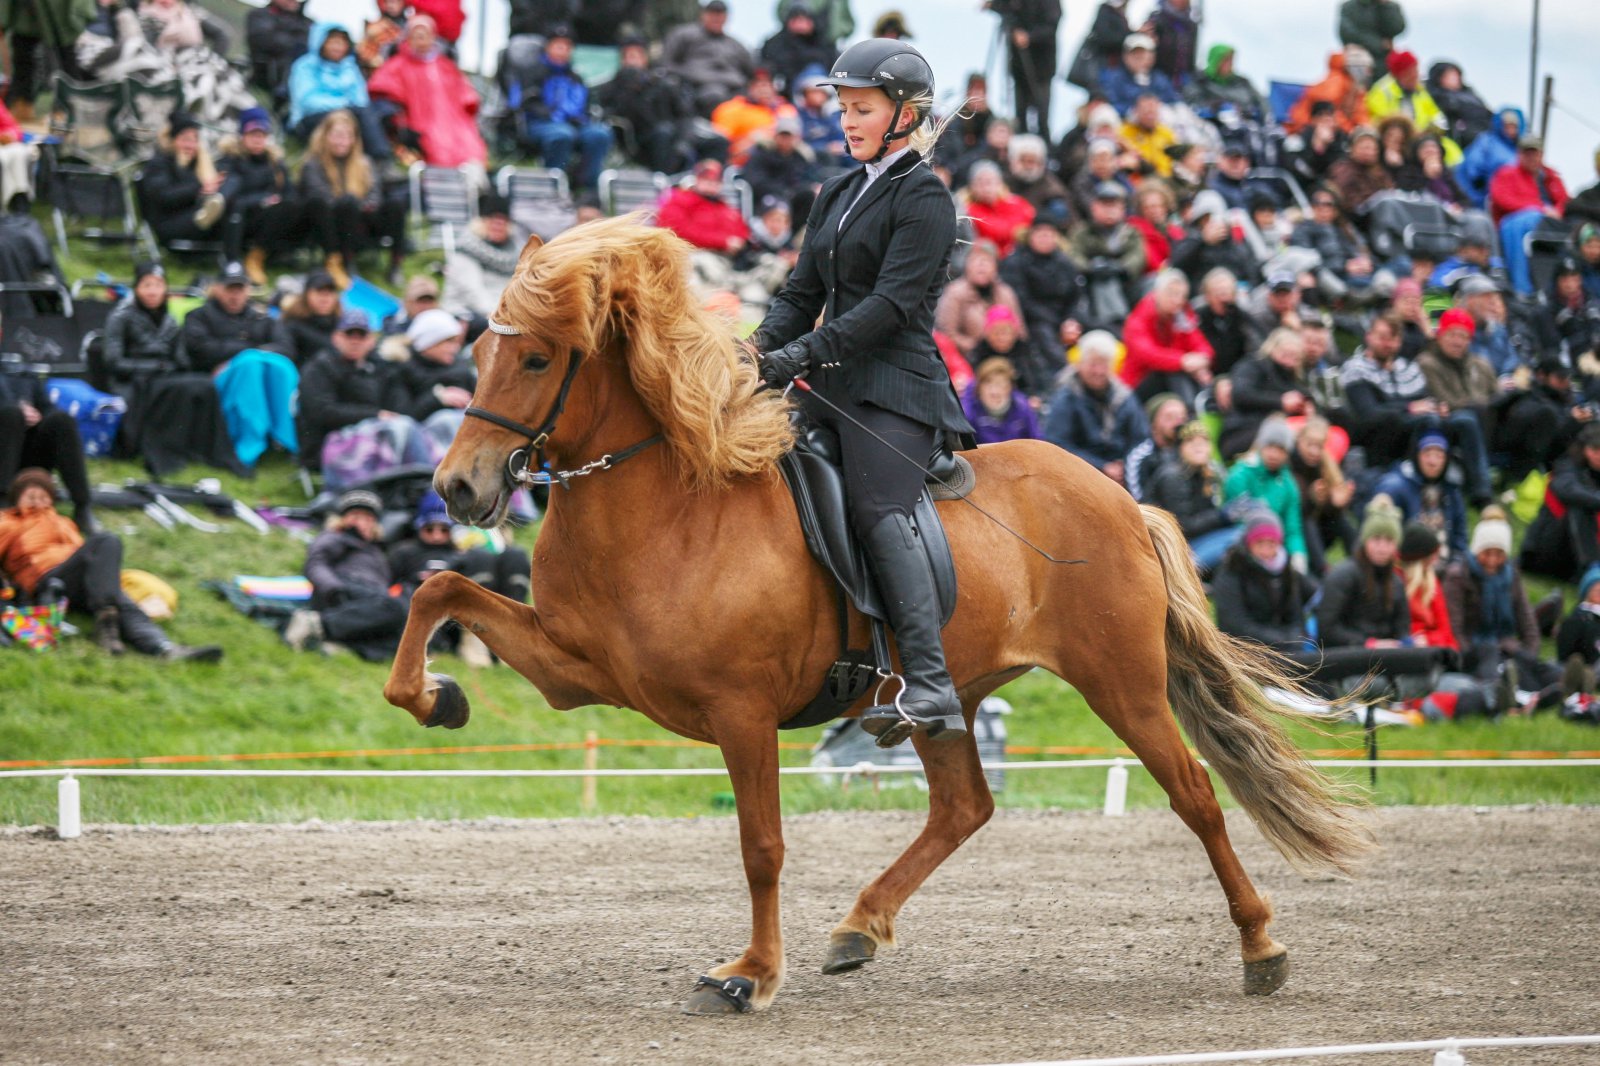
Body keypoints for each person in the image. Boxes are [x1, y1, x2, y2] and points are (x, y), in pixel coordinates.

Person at [747, 39, 972, 745]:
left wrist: (797, 356)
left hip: (896, 390)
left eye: (862, 109)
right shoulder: (838, 192)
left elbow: (888, 308)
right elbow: (800, 293)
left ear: (905, 115)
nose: (847, 122)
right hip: (830, 385)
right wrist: (751, 353)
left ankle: (931, 684)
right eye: (843, 109)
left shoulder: (927, 198)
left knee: (877, 510)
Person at [0, 470, 222, 661]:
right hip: (46, 580)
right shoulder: (8, 522)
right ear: (17, 499)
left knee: (119, 597)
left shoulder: (64, 522)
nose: (38, 501)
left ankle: (163, 648)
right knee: (106, 541)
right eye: (31, 496)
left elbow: (86, 555)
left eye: (43, 496)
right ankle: (107, 620)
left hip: (80, 581)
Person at [102, 264, 242, 477]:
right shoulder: (120, 317)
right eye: (146, 285)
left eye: (158, 285)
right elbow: (113, 362)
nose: (152, 291)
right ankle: (164, 454)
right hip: (135, 381)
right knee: (182, 387)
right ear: (136, 288)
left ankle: (208, 451)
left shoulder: (170, 320)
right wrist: (154, 366)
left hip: (165, 376)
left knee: (204, 384)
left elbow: (180, 360)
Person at [386, 490, 531, 666]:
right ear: (419, 527)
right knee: (478, 557)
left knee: (512, 555)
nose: (437, 535)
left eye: (444, 529)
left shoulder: (460, 551)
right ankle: (476, 639)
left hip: (465, 605)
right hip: (431, 610)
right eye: (429, 529)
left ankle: (513, 635)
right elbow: (390, 588)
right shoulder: (404, 552)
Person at [179, 265, 299, 468]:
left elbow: (286, 348)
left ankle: (282, 435)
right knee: (250, 365)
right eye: (230, 289)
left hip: (255, 378)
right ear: (217, 289)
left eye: (240, 289)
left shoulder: (262, 318)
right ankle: (250, 441)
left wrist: (243, 355)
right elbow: (200, 349)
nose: (235, 295)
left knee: (276, 366)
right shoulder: (199, 316)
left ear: (248, 290)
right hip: (214, 380)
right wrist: (247, 355)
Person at [283, 489, 410, 660]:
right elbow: (315, 563)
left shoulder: (378, 551)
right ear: (343, 519)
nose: (362, 522)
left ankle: (337, 644)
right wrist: (333, 588)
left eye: (367, 518)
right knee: (395, 607)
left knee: (406, 632)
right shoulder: (336, 537)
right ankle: (316, 624)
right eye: (356, 516)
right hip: (344, 587)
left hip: (373, 598)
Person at [300, 110, 408, 289]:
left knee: (395, 203)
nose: (343, 141)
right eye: (337, 136)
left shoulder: (364, 163)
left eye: (348, 136)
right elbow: (321, 197)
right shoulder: (313, 164)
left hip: (363, 218)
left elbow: (375, 193)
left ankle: (395, 264)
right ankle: (346, 262)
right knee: (347, 203)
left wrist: (366, 205)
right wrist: (353, 204)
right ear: (325, 136)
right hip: (333, 223)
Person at [367, 15, 488, 169]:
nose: (421, 40)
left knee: (470, 145)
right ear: (409, 39)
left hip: (453, 118)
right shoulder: (398, 64)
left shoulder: (445, 65)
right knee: (437, 147)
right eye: (417, 36)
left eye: (425, 36)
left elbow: (465, 92)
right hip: (420, 120)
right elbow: (381, 86)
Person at [511, 25, 613, 192]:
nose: (562, 50)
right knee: (562, 135)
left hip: (573, 125)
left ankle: (587, 189)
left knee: (599, 134)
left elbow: (586, 106)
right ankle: (552, 188)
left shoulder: (576, 77)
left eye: (567, 46)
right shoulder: (531, 72)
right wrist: (544, 111)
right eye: (558, 45)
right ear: (548, 47)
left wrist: (580, 117)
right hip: (538, 124)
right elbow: (518, 102)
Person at [1043, 329, 1147, 484]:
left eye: (1104, 365)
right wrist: (1100, 466)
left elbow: (1141, 439)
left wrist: (1124, 466)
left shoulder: (1124, 397)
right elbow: (1056, 444)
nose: (1098, 371)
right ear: (1080, 364)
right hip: (1079, 476)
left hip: (1122, 474)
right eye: (1093, 364)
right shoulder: (1066, 397)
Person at [217, 108, 305, 286]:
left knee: (293, 205)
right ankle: (245, 261)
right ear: (242, 135)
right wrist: (262, 200)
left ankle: (259, 256)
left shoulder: (275, 162)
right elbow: (231, 197)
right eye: (252, 134)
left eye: (261, 135)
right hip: (241, 218)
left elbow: (289, 192)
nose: (258, 140)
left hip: (272, 218)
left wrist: (275, 200)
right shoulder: (230, 160)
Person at [297, 309, 394, 468]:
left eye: (361, 335)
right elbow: (322, 412)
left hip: (372, 437)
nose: (355, 341)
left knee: (404, 428)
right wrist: (375, 415)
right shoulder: (319, 367)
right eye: (349, 334)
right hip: (327, 445)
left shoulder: (380, 369)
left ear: (371, 340)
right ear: (336, 337)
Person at [1212, 511, 1314, 652]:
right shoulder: (1231, 571)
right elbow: (1235, 625)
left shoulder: (1286, 570)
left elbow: (1296, 616)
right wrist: (1280, 641)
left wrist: (1294, 639)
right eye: (1259, 543)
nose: (1266, 551)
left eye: (1271, 543)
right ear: (1249, 543)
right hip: (1244, 650)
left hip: (1283, 644)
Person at [1147, 419, 1238, 572]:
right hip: (1171, 551)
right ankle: (1189, 573)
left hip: (1194, 543)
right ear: (1180, 448)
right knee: (1239, 536)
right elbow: (1183, 526)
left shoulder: (1209, 474)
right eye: (1190, 441)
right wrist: (1222, 516)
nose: (1198, 446)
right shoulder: (1172, 476)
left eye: (1203, 441)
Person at [1317, 501, 1410, 648]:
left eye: (1389, 540)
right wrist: (1368, 644)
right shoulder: (1342, 576)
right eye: (1376, 539)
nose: (1382, 547)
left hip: (1388, 658)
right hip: (1347, 659)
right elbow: (1326, 630)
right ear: (1365, 540)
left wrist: (1407, 642)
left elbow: (1402, 629)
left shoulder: (1396, 582)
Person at [288, 23, 389, 157]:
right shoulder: (305, 66)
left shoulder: (350, 68)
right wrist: (342, 106)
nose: (337, 47)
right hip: (311, 118)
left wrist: (346, 109)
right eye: (333, 42)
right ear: (321, 42)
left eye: (342, 43)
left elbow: (361, 99)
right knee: (350, 118)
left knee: (368, 114)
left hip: (349, 115)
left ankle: (381, 160)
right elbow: (306, 100)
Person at [1224, 416, 1308, 573]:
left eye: (1281, 449)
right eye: (1270, 446)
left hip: (1274, 543)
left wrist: (1298, 555)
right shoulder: (1240, 475)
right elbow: (1239, 521)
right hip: (1243, 540)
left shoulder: (1288, 484)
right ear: (1261, 446)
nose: (1274, 454)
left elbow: (1293, 528)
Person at [136, 112, 227, 254]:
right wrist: (198, 187)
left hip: (193, 214)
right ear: (173, 140)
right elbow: (164, 197)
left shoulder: (200, 164)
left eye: (194, 140)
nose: (190, 145)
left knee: (227, 203)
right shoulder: (159, 164)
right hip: (168, 223)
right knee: (208, 211)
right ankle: (204, 216)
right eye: (185, 139)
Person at [1490, 134, 1570, 294]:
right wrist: (1540, 209)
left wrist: (1556, 212)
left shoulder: (1551, 176)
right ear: (1519, 154)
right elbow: (1501, 199)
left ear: (1541, 154)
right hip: (1517, 223)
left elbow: (1565, 200)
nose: (1531, 157)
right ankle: (1522, 289)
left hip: (1550, 224)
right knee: (1521, 223)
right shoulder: (1506, 174)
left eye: (1534, 152)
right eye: (1526, 153)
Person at [1000, 216, 1082, 370]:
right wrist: (1058, 324)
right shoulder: (1015, 262)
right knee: (1045, 335)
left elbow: (1075, 296)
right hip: (1033, 322)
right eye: (1040, 233)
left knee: (1103, 328)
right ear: (1030, 235)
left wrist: (1070, 320)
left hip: (1062, 318)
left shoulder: (1064, 261)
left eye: (1050, 234)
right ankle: (1067, 375)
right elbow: (1021, 301)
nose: (1045, 238)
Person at [1221, 328, 1317, 460]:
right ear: (1272, 349)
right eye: (1285, 355)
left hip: (1280, 431)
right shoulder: (1253, 365)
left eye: (1295, 358)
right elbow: (1240, 394)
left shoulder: (1294, 379)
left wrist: (1308, 407)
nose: (1289, 362)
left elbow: (1309, 399)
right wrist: (1280, 402)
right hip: (1243, 432)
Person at [1521, 422, 1600, 581]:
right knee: (1580, 507)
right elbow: (1568, 491)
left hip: (1571, 555)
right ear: (1588, 450)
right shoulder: (1566, 465)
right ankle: (1592, 570)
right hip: (1545, 549)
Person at [1119, 269, 1211, 405]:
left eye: (1182, 296)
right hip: (1137, 386)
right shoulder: (1137, 320)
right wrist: (1183, 361)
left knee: (1200, 377)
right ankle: (1190, 414)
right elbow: (1149, 355)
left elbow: (1201, 344)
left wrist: (1201, 362)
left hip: (1173, 377)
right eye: (1172, 294)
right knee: (1173, 372)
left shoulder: (1181, 316)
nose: (1178, 300)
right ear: (1156, 293)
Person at [660, 0, 756, 116]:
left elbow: (752, 72)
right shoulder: (685, 35)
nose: (716, 18)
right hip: (698, 88)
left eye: (720, 14)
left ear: (726, 18)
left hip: (735, 90)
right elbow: (666, 63)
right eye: (712, 14)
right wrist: (688, 74)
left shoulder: (736, 45)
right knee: (714, 95)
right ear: (702, 15)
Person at [443, 192, 524, 327]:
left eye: (503, 220)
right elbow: (473, 293)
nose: (498, 224)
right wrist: (501, 316)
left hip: (505, 313)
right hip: (466, 312)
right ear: (481, 222)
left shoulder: (517, 253)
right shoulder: (466, 249)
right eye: (493, 219)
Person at [935, 240, 1024, 359]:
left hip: (1006, 356)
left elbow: (1020, 331)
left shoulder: (1005, 292)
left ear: (996, 267)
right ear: (966, 265)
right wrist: (979, 348)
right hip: (968, 358)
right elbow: (947, 335)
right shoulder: (954, 293)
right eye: (975, 260)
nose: (981, 265)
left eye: (987, 261)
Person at [1291, 414, 1356, 576]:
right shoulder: (1289, 464)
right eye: (1310, 445)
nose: (1314, 451)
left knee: (1342, 520)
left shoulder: (1326, 466)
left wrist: (1335, 504)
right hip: (1295, 531)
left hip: (1319, 535)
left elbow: (1328, 514)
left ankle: (1361, 563)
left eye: (1319, 446)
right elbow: (1294, 511)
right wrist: (1312, 500)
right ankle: (1323, 572)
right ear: (1299, 440)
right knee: (1307, 521)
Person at [655, 158, 751, 258]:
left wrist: (738, 242)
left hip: (726, 256)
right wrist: (723, 241)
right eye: (706, 179)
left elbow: (742, 230)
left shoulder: (723, 206)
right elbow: (679, 232)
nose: (711, 184)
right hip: (690, 254)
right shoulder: (679, 200)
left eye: (716, 181)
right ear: (697, 179)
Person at [993, 0, 1060, 139]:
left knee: (1041, 116)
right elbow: (1007, 9)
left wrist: (1029, 36)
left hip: (1042, 68)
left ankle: (1044, 147)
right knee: (1020, 116)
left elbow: (1051, 25)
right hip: (1019, 67)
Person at [1398, 520, 1455, 651]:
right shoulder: (1395, 581)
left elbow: (1445, 631)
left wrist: (1428, 639)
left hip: (1431, 649)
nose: (1435, 560)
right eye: (1431, 557)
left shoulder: (1431, 582)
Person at [1286, 48, 1371, 134]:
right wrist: (1351, 130)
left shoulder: (1354, 86)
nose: (1369, 73)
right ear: (1355, 69)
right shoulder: (1335, 82)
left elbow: (1359, 112)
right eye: (1366, 69)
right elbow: (1328, 113)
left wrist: (1365, 128)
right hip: (1304, 127)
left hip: (1332, 129)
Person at [758, 2, 836, 95]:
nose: (800, 24)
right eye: (796, 19)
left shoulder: (825, 44)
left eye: (804, 19)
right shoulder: (774, 45)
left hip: (822, 94)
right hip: (786, 94)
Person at [962, 161, 1035, 258]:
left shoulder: (1016, 203)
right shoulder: (966, 209)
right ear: (972, 187)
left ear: (1000, 183)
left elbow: (1029, 223)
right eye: (980, 183)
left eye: (989, 182)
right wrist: (1013, 232)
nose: (985, 188)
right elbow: (996, 231)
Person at [246, 0, 312, 106]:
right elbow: (263, 41)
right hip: (266, 71)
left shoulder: (306, 23)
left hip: (300, 74)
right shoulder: (259, 15)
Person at [961, 357, 1040, 445]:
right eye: (988, 384)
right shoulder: (967, 412)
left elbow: (1036, 442)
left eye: (1001, 384)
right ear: (979, 388)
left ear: (1010, 388)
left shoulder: (1022, 408)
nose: (994, 392)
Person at [1125, 392, 1187, 501]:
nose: (1178, 423)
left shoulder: (1189, 451)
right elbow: (1138, 499)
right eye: (1169, 417)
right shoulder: (1140, 456)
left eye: (1182, 417)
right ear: (1153, 423)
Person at [1097, 33, 1178, 115]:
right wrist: (1136, 110)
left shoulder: (1160, 79)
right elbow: (1110, 105)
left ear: (1152, 58)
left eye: (1142, 55)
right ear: (1125, 57)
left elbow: (1173, 101)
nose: (1138, 58)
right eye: (1134, 54)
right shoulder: (1114, 79)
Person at [1184, 43, 1265, 124]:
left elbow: (1262, 102)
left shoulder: (1242, 82)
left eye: (1231, 60)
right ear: (1216, 61)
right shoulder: (1200, 81)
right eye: (1226, 61)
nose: (1230, 64)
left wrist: (1255, 113)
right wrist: (1215, 107)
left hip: (1249, 125)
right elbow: (1193, 104)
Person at [1337, 0, 1404, 70]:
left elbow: (1397, 28)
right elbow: (1347, 33)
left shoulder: (1390, 6)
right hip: (1357, 61)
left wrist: (1385, 6)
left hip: (1384, 61)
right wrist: (1379, 44)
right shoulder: (1349, 7)